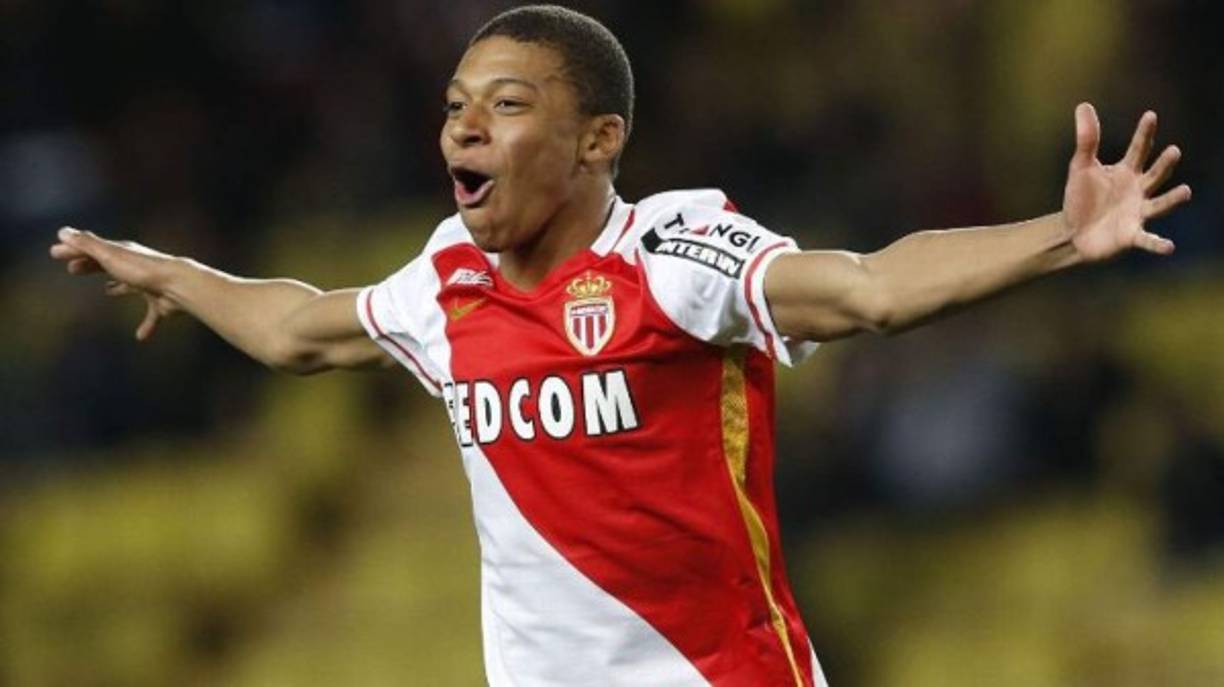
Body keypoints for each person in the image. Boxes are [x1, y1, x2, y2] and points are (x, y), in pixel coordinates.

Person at [49, 5, 1191, 686]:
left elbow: (869, 288)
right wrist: (171, 273)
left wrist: (1061, 234)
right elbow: (300, 330)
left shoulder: (673, 254)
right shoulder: (446, 278)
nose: (463, 127)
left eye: (506, 105)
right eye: (455, 104)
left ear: (598, 140)